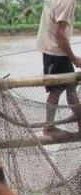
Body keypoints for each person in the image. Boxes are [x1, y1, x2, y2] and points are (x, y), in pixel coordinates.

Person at [37, 0, 81, 137]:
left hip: (52, 51)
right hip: (56, 53)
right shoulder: (68, 1)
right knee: (56, 90)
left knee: (71, 90)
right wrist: (74, 58)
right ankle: (49, 127)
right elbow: (60, 35)